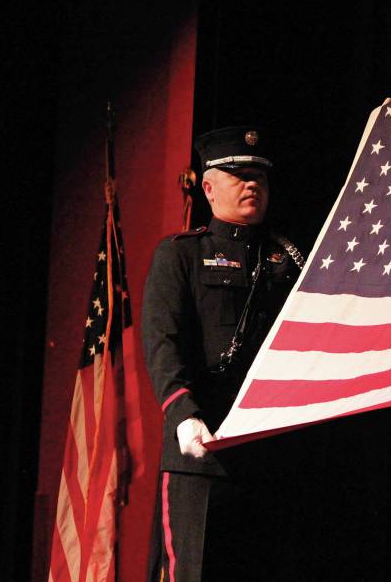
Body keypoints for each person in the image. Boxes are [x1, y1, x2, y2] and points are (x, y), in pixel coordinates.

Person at [143, 126, 304, 581]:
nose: (252, 184)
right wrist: (183, 413)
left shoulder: (290, 260)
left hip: (269, 454)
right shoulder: (182, 256)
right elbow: (162, 342)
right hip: (202, 450)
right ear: (209, 187)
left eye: (260, 176)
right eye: (239, 175)